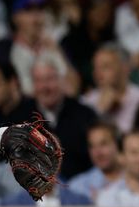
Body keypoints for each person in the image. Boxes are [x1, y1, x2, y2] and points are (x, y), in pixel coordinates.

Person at [32, 52, 98, 180]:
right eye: (39, 80)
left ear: (62, 81)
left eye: (50, 79)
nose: (44, 87)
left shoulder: (85, 115)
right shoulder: (20, 117)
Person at [81, 44, 139, 134]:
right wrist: (99, 111)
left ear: (125, 68)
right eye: (95, 67)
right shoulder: (86, 102)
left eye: (105, 66)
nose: (98, 73)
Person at [67, 121, 123, 202]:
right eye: (92, 146)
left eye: (103, 144)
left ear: (117, 145)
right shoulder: (77, 187)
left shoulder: (136, 181)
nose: (98, 153)